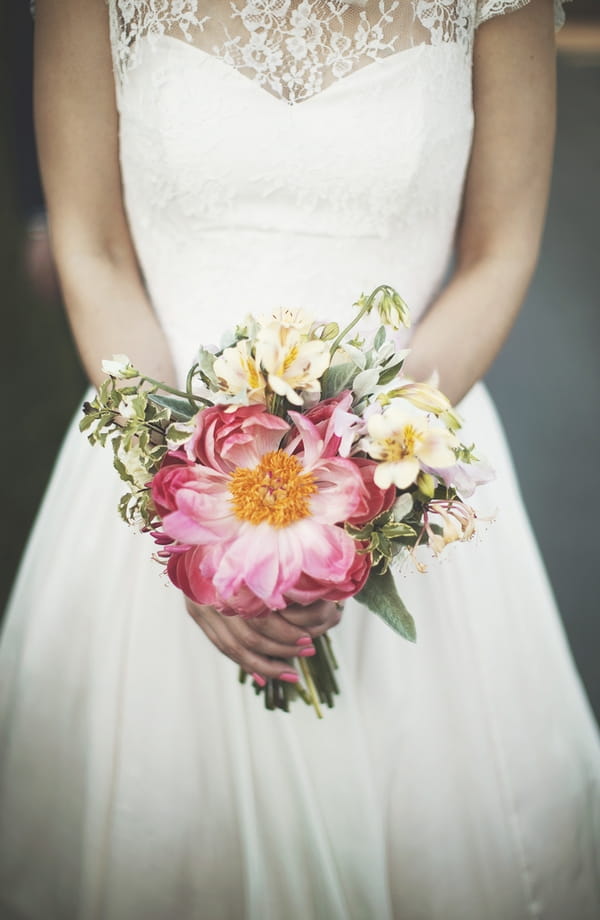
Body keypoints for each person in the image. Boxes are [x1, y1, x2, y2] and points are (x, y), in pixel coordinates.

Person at [1, 1, 599, 918]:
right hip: (155, 450)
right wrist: (197, 510)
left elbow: (497, 250)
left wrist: (359, 493)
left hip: (409, 472)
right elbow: (94, 244)